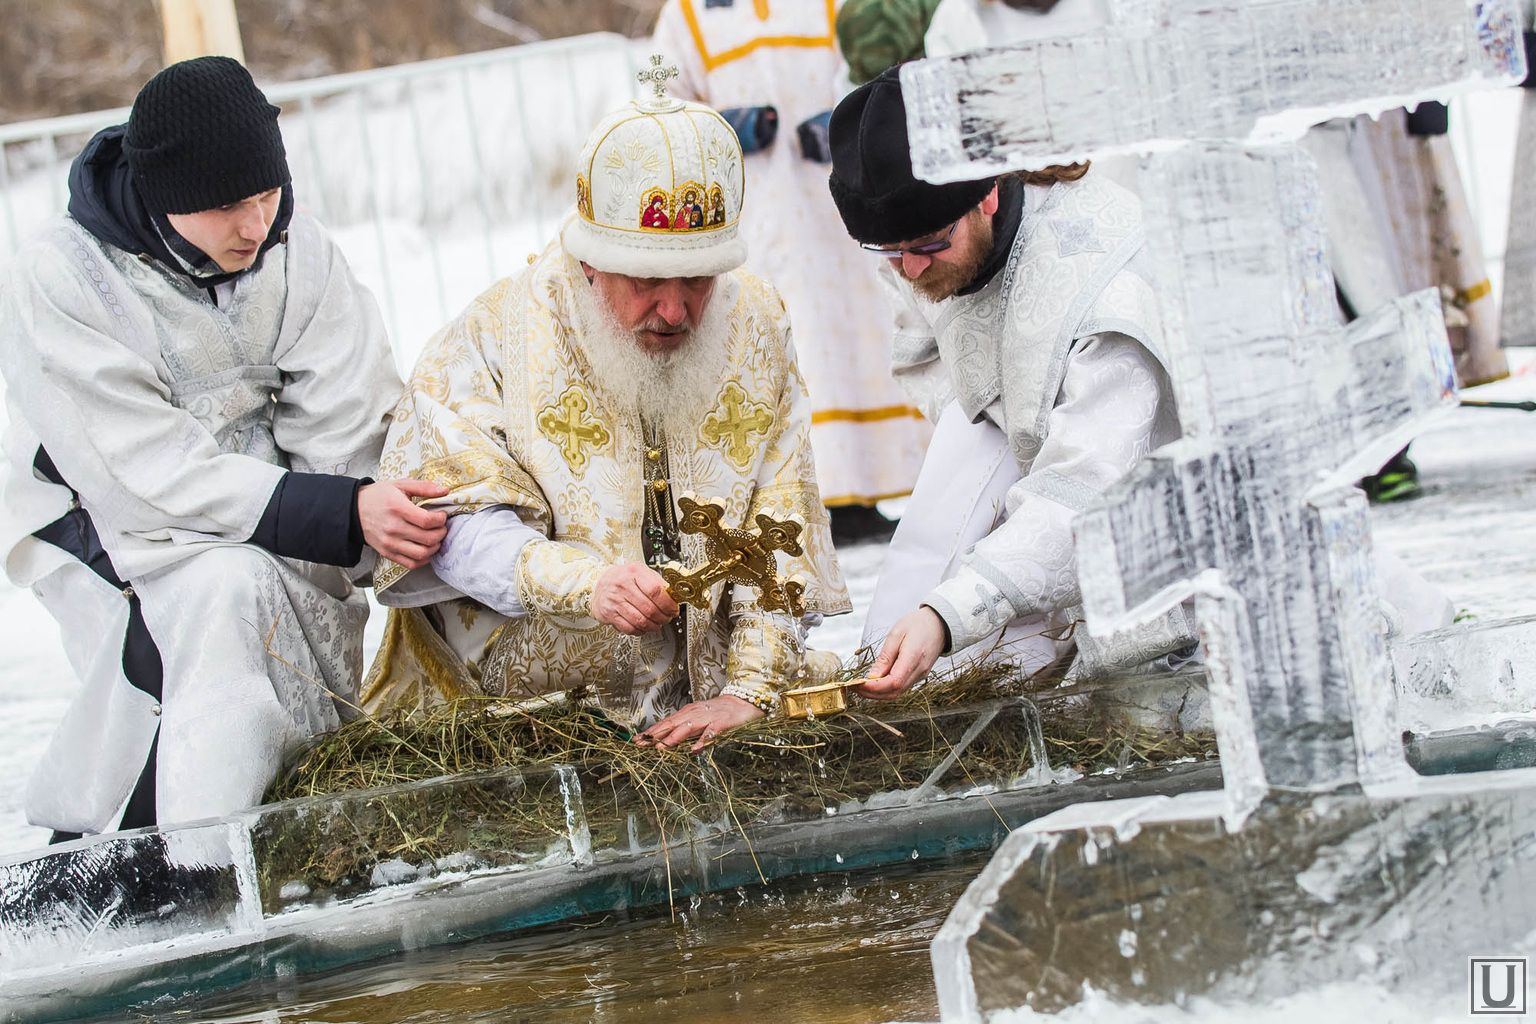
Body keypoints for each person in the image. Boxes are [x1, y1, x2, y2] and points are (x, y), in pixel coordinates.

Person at [0, 57, 446, 841]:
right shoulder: (65, 275)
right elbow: (135, 467)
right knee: (213, 604)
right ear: (166, 197)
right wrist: (332, 512)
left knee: (297, 598)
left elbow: (346, 415)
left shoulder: (293, 249)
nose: (255, 225)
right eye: (229, 205)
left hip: (266, 487)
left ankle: (290, 828)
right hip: (96, 505)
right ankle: (157, 850)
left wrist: (359, 514)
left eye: (268, 194)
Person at [364, 76, 850, 750]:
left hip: (707, 685)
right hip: (529, 704)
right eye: (648, 281)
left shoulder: (755, 321)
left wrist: (749, 691)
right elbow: (452, 526)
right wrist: (585, 584)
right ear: (590, 261)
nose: (676, 311)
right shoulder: (497, 333)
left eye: (699, 279)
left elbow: (782, 514)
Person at [826, 68, 1188, 697]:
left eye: (928, 245)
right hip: (1039, 492)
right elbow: (941, 370)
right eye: (888, 250)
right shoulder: (929, 243)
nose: (909, 270)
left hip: (1169, 537)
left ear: (987, 193)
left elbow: (1091, 489)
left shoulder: (1104, 291)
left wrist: (950, 612)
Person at [653, 0, 931, 545]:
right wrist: (721, 129)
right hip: (755, 212)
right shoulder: (686, 14)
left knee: (858, 336)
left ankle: (866, 491)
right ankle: (805, 495)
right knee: (782, 338)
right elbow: (660, 106)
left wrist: (848, 121)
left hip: (835, 201)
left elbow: (869, 66)